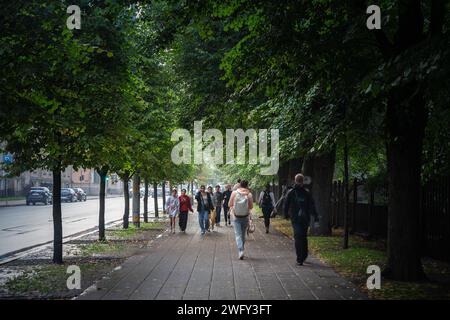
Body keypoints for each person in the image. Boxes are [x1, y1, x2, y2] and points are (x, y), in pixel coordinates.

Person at [283, 174, 318, 266]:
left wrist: (286, 214)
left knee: (299, 237)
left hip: (296, 218)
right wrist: (315, 216)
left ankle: (300, 258)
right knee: (302, 236)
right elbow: (312, 205)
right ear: (302, 181)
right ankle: (303, 256)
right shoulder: (306, 192)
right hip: (304, 218)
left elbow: (286, 204)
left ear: (295, 180)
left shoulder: (291, 191)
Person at [228, 180, 253, 260]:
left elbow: (229, 204)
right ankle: (242, 250)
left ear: (239, 185)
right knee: (242, 234)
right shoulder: (249, 194)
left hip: (236, 217)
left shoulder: (234, 193)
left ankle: (240, 251)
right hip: (245, 217)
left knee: (238, 234)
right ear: (247, 185)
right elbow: (251, 206)